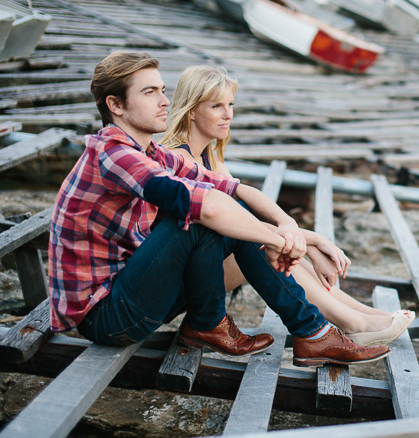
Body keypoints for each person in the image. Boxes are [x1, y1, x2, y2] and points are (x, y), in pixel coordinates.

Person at [48, 51, 390, 367]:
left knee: (228, 209)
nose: (165, 101)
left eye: (163, 90)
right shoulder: (112, 153)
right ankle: (310, 333)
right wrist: (278, 241)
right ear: (116, 105)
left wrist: (285, 226)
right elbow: (207, 208)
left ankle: (290, 331)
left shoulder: (152, 153)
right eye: (150, 92)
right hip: (106, 316)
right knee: (200, 217)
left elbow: (234, 189)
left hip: (138, 293)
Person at [160, 64, 415, 347]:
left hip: (199, 274)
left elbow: (247, 219)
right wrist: (315, 241)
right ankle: (353, 323)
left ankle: (361, 315)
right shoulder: (177, 160)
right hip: (173, 288)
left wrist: (309, 244)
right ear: (192, 109)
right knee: (262, 244)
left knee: (274, 242)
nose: (228, 114)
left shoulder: (209, 155)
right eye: (216, 106)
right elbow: (242, 225)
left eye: (230, 104)